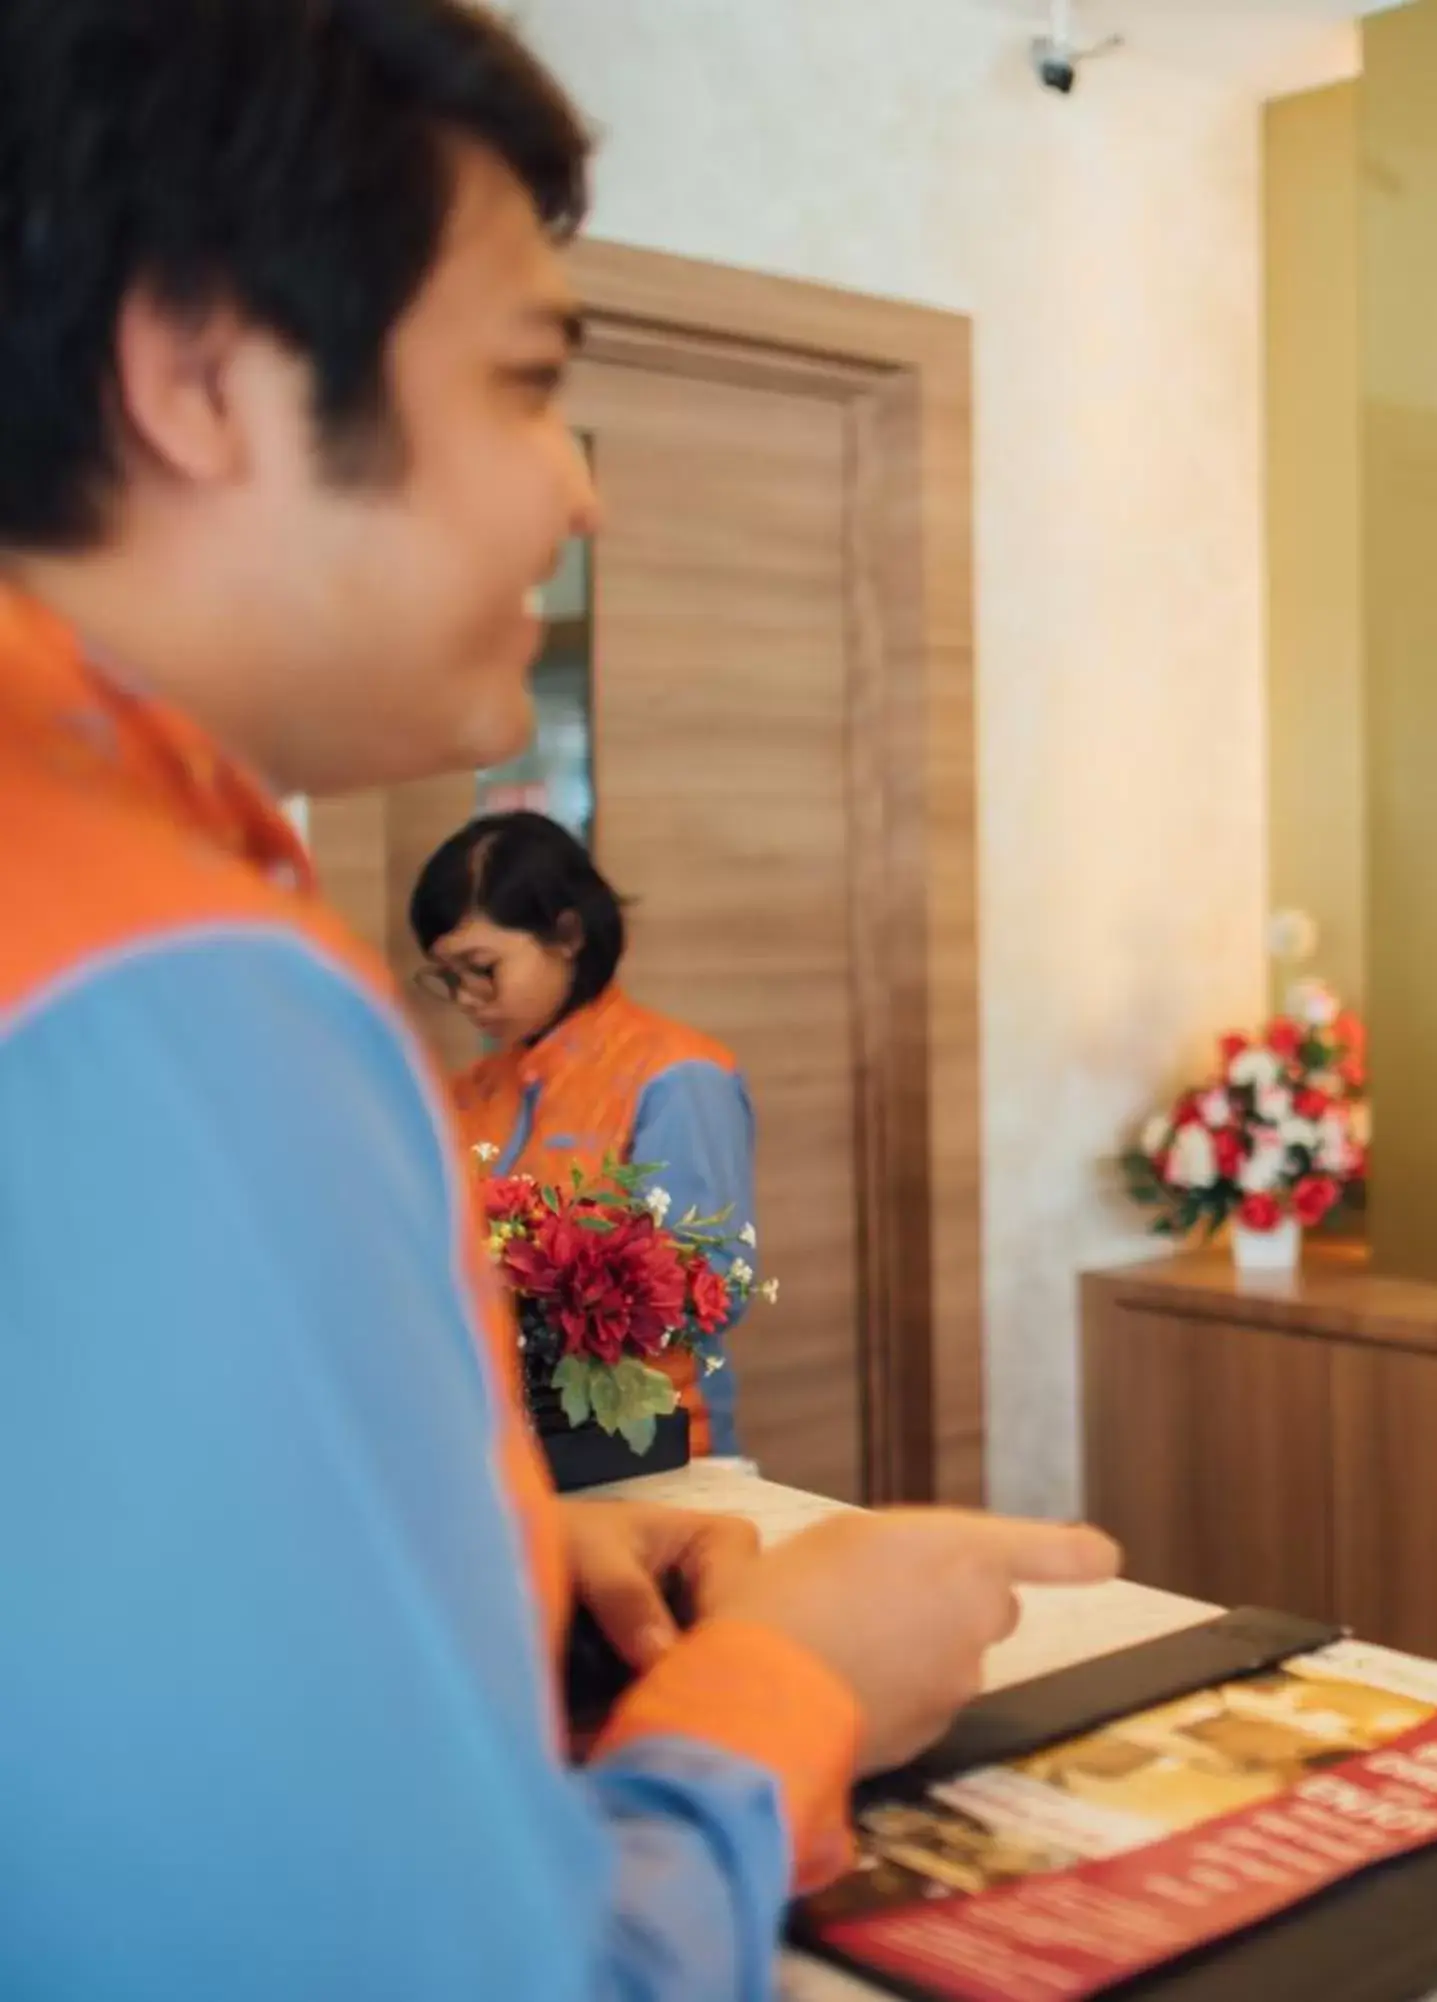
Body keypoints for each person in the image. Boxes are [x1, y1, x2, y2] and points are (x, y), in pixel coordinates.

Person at [0, 6, 1116, 1998]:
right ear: (198, 372)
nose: (574, 495)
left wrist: (496, 1566)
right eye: (524, 385)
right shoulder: (177, 995)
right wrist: (792, 1686)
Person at [418, 811, 755, 1458]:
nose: (464, 996)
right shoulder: (470, 1088)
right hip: (507, 1447)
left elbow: (714, 1282)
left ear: (567, 934)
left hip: (654, 1442)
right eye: (447, 976)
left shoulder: (678, 1077)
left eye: (481, 967)